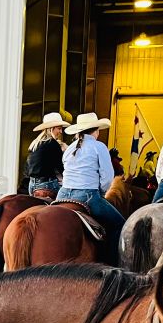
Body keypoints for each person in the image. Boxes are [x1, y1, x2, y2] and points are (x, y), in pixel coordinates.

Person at [54, 111, 124, 261]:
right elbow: (107, 177)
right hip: (87, 196)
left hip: (63, 195)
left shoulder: (70, 148)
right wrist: (102, 192)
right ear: (96, 130)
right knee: (120, 225)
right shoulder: (99, 147)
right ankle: (112, 263)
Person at [25, 112, 69, 199]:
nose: (61, 132)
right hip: (47, 186)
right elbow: (61, 168)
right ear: (51, 129)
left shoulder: (35, 143)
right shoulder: (53, 144)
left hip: (32, 185)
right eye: (59, 128)